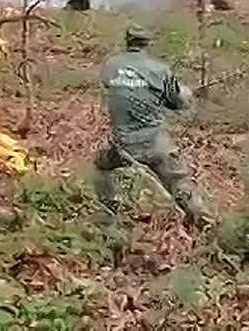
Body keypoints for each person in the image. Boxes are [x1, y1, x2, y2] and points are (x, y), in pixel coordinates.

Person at [92, 24, 216, 228]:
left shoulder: (110, 66)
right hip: (154, 144)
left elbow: (115, 88)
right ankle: (206, 225)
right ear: (148, 42)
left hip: (121, 146)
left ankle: (108, 214)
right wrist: (186, 93)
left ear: (127, 40)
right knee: (179, 183)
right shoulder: (160, 70)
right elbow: (179, 103)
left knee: (100, 167)